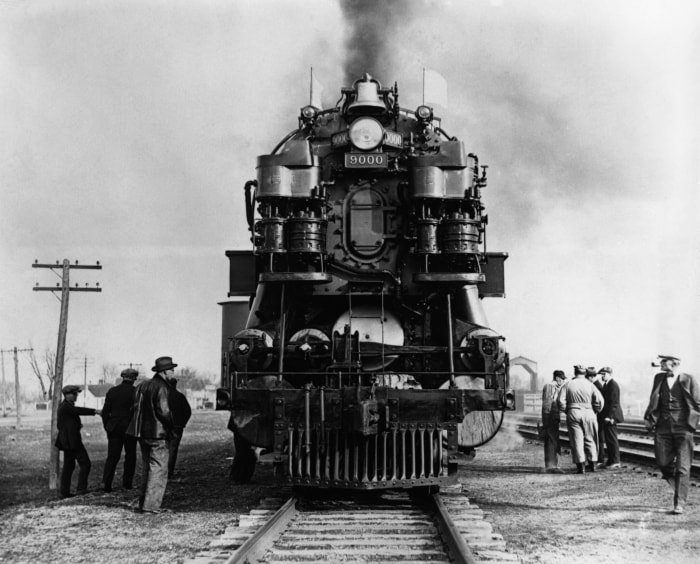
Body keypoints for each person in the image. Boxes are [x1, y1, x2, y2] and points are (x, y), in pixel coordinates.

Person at [643, 355, 700, 514]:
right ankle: (680, 488)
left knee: (683, 467)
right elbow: (654, 399)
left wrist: (692, 423)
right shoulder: (659, 378)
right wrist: (650, 418)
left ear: (673, 364)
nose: (660, 364)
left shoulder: (688, 379)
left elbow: (697, 402)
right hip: (663, 427)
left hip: (683, 428)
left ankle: (679, 502)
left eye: (663, 362)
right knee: (662, 462)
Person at [127, 356, 176, 514]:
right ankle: (151, 506)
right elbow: (164, 411)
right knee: (158, 470)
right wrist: (172, 425)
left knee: (147, 469)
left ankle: (144, 504)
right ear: (165, 372)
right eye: (171, 370)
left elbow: (134, 408)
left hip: (143, 433)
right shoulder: (162, 387)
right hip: (159, 435)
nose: (173, 373)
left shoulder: (143, 385)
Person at [55, 385, 101, 499]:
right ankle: (81, 489)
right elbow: (79, 410)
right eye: (74, 394)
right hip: (72, 441)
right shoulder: (66, 406)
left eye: (76, 394)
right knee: (85, 463)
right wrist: (95, 411)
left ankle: (64, 493)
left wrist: (75, 426)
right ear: (67, 395)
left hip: (68, 441)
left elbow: (62, 424)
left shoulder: (66, 406)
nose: (76, 396)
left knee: (69, 467)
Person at [558, 365, 604, 474]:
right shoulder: (591, 385)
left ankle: (581, 467)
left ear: (575, 373)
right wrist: (595, 410)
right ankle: (593, 464)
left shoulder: (568, 384)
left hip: (573, 412)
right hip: (589, 412)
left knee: (576, 440)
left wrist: (568, 410)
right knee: (591, 439)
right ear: (585, 373)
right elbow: (600, 401)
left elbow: (560, 401)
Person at [101, 368, 139, 492]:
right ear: (134, 378)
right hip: (130, 428)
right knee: (130, 456)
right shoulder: (136, 392)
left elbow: (105, 412)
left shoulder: (112, 391)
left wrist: (107, 426)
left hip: (114, 428)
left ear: (123, 377)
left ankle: (106, 485)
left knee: (112, 456)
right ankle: (127, 484)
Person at [541, 370, 567, 473]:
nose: (562, 382)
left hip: (552, 417)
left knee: (552, 440)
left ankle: (552, 465)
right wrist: (547, 420)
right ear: (557, 378)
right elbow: (547, 404)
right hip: (550, 417)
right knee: (551, 441)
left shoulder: (553, 387)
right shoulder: (550, 386)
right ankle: (551, 466)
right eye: (561, 379)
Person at [598, 366, 624, 469]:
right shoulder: (607, 385)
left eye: (604, 374)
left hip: (611, 417)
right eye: (602, 374)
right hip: (608, 417)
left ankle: (615, 461)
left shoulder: (613, 385)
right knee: (609, 439)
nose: (602, 376)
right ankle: (610, 461)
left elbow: (614, 403)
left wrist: (609, 416)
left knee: (612, 439)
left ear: (610, 374)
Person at [167, 378, 191, 479]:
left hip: (163, 427)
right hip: (177, 427)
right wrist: (182, 423)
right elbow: (188, 411)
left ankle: (161, 471)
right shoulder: (180, 396)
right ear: (175, 384)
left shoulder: (162, 396)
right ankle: (169, 471)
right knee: (173, 449)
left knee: (163, 448)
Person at [586, 366, 606, 464]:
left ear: (590, 377)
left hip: (598, 416)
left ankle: (600, 458)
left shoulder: (596, 386)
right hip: (598, 415)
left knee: (599, 437)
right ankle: (599, 458)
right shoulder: (597, 385)